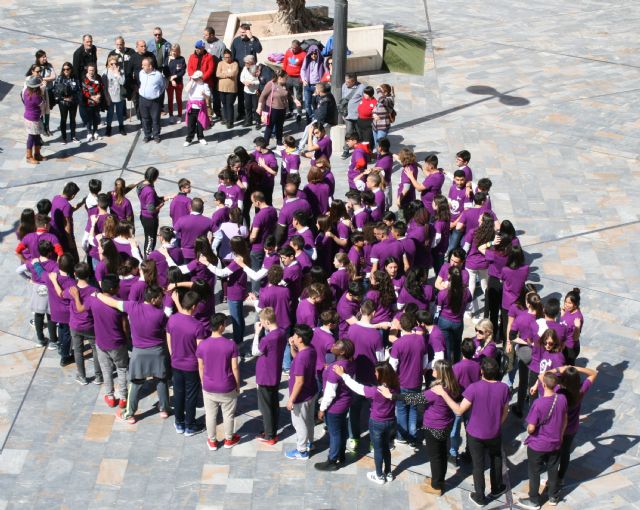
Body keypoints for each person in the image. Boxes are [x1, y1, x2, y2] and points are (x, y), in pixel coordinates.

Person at [433, 357, 510, 506]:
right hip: (494, 432)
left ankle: (480, 497)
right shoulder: (504, 388)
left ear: (482, 371)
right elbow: (505, 410)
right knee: (496, 458)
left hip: (475, 434)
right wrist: (497, 424)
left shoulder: (474, 388)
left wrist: (443, 394)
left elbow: (459, 410)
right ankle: (496, 488)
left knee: (478, 465)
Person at [381, 359, 460, 495]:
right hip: (446, 425)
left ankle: (436, 486)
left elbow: (414, 398)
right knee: (441, 455)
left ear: (440, 373)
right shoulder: (452, 386)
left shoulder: (436, 391)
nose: (432, 370)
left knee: (435, 457)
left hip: (434, 427)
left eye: (435, 369)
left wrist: (391, 395)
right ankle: (439, 480)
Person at [335, 361, 398, 484]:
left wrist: (343, 375)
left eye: (376, 372)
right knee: (386, 447)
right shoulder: (396, 388)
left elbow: (357, 387)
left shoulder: (376, 391)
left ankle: (379, 475)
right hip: (390, 422)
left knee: (378, 449)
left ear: (381, 375)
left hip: (377, 423)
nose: (374, 373)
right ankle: (388, 473)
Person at [519, 371, 568, 509]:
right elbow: (565, 420)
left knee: (534, 471)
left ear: (544, 385)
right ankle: (552, 496)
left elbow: (531, 428)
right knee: (553, 469)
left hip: (538, 445)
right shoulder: (562, 399)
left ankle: (534, 500)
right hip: (556, 442)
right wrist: (561, 435)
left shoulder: (538, 403)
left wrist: (528, 428)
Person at [82, 274, 129, 408]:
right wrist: (127, 338)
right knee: (121, 368)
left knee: (106, 370)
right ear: (114, 289)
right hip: (118, 343)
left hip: (101, 342)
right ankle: (124, 398)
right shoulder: (118, 303)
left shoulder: (94, 300)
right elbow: (125, 325)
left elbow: (84, 309)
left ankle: (110, 396)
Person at [197, 313, 241, 450]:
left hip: (209, 385)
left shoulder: (202, 345)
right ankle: (229, 439)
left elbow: (200, 366)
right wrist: (237, 385)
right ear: (221, 326)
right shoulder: (231, 345)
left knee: (210, 415)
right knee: (228, 414)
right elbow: (235, 367)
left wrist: (203, 382)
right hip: (227, 386)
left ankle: (212, 441)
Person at [167, 290, 208, 435]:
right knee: (191, 396)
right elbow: (201, 350)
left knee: (178, 393)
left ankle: (179, 422)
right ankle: (190, 425)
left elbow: (169, 339)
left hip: (176, 363)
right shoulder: (197, 326)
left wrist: (173, 355)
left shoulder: (172, 319)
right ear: (193, 306)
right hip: (191, 366)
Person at [314, 339, 355, 471]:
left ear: (342, 351)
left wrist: (321, 409)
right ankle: (341, 455)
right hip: (345, 401)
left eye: (337, 345)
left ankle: (332, 460)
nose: (333, 345)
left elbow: (330, 393)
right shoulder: (350, 364)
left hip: (335, 406)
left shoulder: (334, 369)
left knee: (334, 433)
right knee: (342, 430)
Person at [556, 365, 598, 487]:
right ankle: (561, 477)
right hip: (572, 428)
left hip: (558, 428)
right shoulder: (580, 391)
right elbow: (593, 373)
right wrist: (575, 368)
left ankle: (552, 479)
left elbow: (543, 376)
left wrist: (561, 369)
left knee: (554, 455)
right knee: (565, 453)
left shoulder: (558, 391)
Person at [252, 307, 287, 444]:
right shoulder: (281, 332)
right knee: (273, 404)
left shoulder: (267, 339)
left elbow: (256, 351)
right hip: (275, 373)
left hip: (265, 375)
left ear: (266, 321)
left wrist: (256, 334)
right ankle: (271, 429)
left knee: (265, 407)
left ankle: (269, 435)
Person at [285, 324, 318, 460]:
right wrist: (292, 346)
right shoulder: (310, 350)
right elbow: (296, 356)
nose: (292, 337)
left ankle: (302, 451)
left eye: (294, 336)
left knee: (299, 424)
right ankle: (310, 443)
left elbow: (299, 381)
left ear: (300, 339)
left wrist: (291, 399)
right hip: (312, 392)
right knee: (309, 420)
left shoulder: (301, 359)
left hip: (301, 397)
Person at [436, 266, 472, 362]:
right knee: (457, 345)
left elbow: (438, 309)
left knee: (446, 346)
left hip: (443, 321)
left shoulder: (442, 293)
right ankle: (457, 364)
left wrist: (435, 322)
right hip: (458, 322)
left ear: (449, 277)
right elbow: (469, 307)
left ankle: (447, 367)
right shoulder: (466, 292)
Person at [137, 167, 173, 255]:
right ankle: (148, 259)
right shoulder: (149, 191)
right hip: (150, 219)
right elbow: (151, 209)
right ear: (155, 178)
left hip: (143, 215)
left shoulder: (141, 185)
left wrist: (163, 198)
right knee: (150, 240)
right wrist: (160, 205)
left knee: (148, 238)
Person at [231, 22, 263, 121]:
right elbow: (232, 55)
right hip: (241, 70)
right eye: (241, 32)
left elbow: (259, 50)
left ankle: (255, 114)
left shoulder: (254, 40)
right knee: (241, 93)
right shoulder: (236, 41)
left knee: (254, 93)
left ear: (248, 32)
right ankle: (241, 112)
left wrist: (252, 38)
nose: (242, 34)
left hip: (253, 71)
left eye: (244, 33)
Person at [258, 70, 289, 148]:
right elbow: (263, 96)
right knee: (269, 127)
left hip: (282, 109)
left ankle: (279, 143)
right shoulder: (270, 84)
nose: (287, 79)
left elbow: (289, 94)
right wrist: (259, 107)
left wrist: (295, 100)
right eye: (286, 77)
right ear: (280, 77)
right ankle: (265, 144)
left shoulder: (285, 85)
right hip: (272, 109)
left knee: (280, 126)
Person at [138, 57, 165, 143]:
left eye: (144, 65)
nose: (142, 66)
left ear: (150, 66)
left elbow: (163, 86)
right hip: (143, 99)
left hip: (154, 101)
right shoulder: (141, 73)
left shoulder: (158, 75)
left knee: (155, 119)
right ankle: (147, 135)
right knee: (145, 119)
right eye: (142, 65)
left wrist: (157, 94)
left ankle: (156, 135)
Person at [53, 62, 81, 144]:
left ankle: (73, 136)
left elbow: (79, 90)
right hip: (63, 103)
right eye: (64, 69)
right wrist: (63, 98)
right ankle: (64, 138)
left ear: (71, 69)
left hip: (73, 102)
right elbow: (55, 91)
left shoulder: (75, 78)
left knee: (72, 120)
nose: (66, 71)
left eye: (67, 69)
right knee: (63, 120)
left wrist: (73, 97)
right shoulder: (60, 78)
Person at [202, 26, 226, 120]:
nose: (204, 36)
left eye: (206, 35)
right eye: (204, 34)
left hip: (215, 73)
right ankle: (208, 113)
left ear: (212, 35)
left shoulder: (221, 45)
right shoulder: (203, 43)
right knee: (206, 93)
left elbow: (223, 60)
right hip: (205, 73)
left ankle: (217, 112)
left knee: (216, 94)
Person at [130, 40, 157, 120]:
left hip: (150, 85)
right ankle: (141, 120)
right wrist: (134, 86)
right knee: (138, 104)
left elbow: (156, 69)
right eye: (142, 46)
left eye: (145, 46)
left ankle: (151, 119)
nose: (144, 48)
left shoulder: (151, 55)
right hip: (138, 86)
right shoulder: (133, 58)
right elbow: (128, 73)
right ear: (137, 47)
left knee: (151, 104)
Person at [340, 73, 365, 159]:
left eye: (348, 82)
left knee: (359, 134)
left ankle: (359, 151)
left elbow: (365, 100)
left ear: (354, 81)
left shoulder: (362, 87)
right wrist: (343, 113)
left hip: (358, 116)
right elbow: (344, 100)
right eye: (346, 81)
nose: (346, 84)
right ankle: (346, 150)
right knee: (348, 133)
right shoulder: (344, 86)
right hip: (348, 116)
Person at [22, 76, 46, 164]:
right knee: (32, 137)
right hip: (33, 119)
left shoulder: (25, 92)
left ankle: (37, 154)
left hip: (28, 117)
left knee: (37, 136)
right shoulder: (36, 97)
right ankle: (29, 157)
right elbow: (43, 107)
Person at [183, 70, 211, 146]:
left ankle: (201, 138)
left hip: (201, 109)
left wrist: (204, 94)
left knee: (200, 124)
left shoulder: (205, 85)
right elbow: (186, 90)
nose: (195, 80)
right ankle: (189, 139)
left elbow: (208, 97)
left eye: (196, 78)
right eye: (194, 78)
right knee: (191, 124)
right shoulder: (192, 84)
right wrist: (192, 81)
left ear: (201, 78)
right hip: (191, 108)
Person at [300, 45, 327, 121]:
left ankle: (317, 119)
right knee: (307, 104)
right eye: (311, 54)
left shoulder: (321, 61)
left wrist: (321, 84)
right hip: (307, 85)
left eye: (315, 53)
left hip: (317, 86)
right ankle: (311, 118)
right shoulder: (307, 60)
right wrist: (303, 79)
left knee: (317, 104)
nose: (313, 55)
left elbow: (326, 71)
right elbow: (303, 70)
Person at [282, 39, 306, 124]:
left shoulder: (303, 55)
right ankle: (291, 111)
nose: (293, 50)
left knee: (299, 96)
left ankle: (299, 113)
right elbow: (284, 64)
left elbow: (304, 68)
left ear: (299, 47)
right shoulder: (288, 52)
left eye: (295, 48)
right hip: (288, 77)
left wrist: (302, 78)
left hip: (297, 78)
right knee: (289, 94)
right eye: (292, 48)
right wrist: (283, 76)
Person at [102, 56, 126, 136]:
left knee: (120, 113)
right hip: (110, 97)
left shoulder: (121, 71)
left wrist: (117, 74)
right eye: (111, 64)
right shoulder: (105, 71)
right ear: (108, 63)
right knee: (110, 113)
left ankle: (121, 127)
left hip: (119, 96)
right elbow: (103, 85)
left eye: (115, 63)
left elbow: (122, 82)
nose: (114, 65)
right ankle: (108, 128)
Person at [107, 36, 136, 103]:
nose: (119, 46)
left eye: (121, 44)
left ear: (124, 43)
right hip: (119, 80)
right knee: (122, 99)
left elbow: (135, 63)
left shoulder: (131, 51)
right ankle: (124, 112)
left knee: (134, 98)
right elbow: (108, 66)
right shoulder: (112, 53)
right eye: (117, 44)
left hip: (130, 78)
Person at [34, 50, 56, 136]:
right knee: (41, 111)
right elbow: (34, 77)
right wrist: (47, 78)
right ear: (38, 58)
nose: (45, 58)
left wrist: (43, 78)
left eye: (45, 56)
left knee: (47, 110)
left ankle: (47, 127)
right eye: (43, 57)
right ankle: (42, 128)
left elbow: (54, 76)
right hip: (40, 92)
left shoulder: (49, 66)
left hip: (49, 91)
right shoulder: (36, 67)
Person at [560, 288, 583, 366]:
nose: (566, 304)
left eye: (569, 303)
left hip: (570, 349)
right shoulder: (567, 310)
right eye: (565, 302)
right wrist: (562, 315)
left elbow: (576, 338)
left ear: (575, 304)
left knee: (568, 371)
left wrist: (577, 327)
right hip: (563, 345)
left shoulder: (577, 318)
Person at [216, 50, 239, 129]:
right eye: (225, 57)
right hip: (222, 88)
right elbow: (217, 74)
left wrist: (224, 73)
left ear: (231, 57)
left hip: (231, 88)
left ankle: (230, 121)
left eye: (228, 57)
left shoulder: (235, 64)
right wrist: (227, 74)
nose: (227, 59)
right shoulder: (220, 63)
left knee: (229, 104)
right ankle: (226, 118)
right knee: (224, 104)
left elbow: (233, 74)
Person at [80, 64, 103, 142]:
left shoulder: (98, 77)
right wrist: (92, 98)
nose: (91, 72)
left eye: (93, 70)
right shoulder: (84, 78)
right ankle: (89, 132)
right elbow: (84, 91)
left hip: (97, 101)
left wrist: (98, 96)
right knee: (89, 118)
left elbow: (101, 87)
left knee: (96, 117)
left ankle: (95, 131)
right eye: (90, 70)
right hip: (88, 102)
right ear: (87, 70)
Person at [166, 43, 186, 120]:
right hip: (170, 82)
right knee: (170, 99)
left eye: (175, 51)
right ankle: (171, 115)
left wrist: (175, 76)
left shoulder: (181, 59)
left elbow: (182, 71)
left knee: (179, 99)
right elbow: (165, 70)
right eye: (172, 51)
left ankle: (180, 115)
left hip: (179, 83)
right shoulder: (168, 59)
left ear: (178, 51)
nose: (174, 53)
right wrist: (171, 79)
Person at [239, 55, 260, 127]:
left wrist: (253, 83)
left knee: (256, 107)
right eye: (245, 63)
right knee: (247, 106)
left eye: (247, 63)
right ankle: (249, 121)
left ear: (252, 62)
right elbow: (241, 78)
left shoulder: (257, 68)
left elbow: (260, 81)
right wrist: (245, 82)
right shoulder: (245, 68)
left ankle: (258, 122)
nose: (245, 64)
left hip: (255, 91)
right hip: (247, 90)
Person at [356, 86, 377, 151]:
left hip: (368, 123)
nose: (364, 94)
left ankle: (369, 153)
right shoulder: (363, 99)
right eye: (364, 93)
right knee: (361, 139)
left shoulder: (375, 102)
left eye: (366, 93)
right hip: (360, 122)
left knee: (368, 140)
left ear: (370, 94)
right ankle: (363, 151)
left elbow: (376, 114)